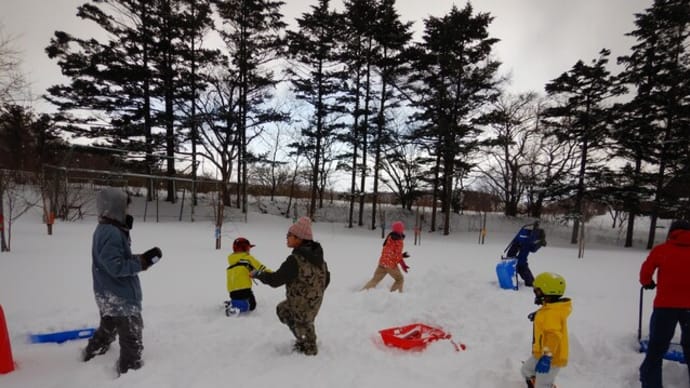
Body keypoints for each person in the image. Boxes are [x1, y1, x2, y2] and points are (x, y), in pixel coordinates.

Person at [82, 188, 163, 375]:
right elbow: (116, 266)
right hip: (121, 296)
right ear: (115, 209)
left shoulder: (105, 229)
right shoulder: (111, 232)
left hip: (107, 293)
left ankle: (92, 351)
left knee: (108, 327)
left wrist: (141, 258)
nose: (128, 213)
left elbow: (114, 260)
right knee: (131, 338)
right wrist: (142, 262)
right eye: (125, 209)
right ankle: (130, 372)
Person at [251, 216, 330, 355]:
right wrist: (313, 293)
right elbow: (326, 279)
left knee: (288, 313)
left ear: (299, 238)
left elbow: (275, 280)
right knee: (284, 308)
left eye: (289, 235)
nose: (286, 237)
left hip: (302, 305)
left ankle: (308, 344)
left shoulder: (295, 260)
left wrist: (258, 274)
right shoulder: (319, 258)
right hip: (315, 302)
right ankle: (305, 333)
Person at [638, 219, 690, 388]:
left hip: (665, 306)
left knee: (657, 349)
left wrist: (647, 282)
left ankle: (651, 384)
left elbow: (646, 271)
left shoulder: (662, 250)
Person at [521, 272, 572, 388]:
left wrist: (547, 357)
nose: (535, 293)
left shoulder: (552, 314)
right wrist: (538, 315)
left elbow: (553, 335)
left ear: (549, 292)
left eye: (537, 291)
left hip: (551, 358)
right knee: (526, 371)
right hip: (540, 353)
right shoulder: (550, 308)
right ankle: (537, 382)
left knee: (542, 384)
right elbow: (547, 313)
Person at [225, 237, 270, 315]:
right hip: (244, 288)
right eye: (248, 248)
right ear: (244, 248)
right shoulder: (248, 259)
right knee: (251, 305)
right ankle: (235, 309)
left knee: (239, 299)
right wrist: (273, 274)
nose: (249, 250)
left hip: (232, 291)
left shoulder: (232, 261)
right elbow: (261, 268)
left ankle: (234, 303)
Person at [361, 220, 410, 292]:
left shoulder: (389, 237)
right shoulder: (398, 241)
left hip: (382, 263)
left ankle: (362, 292)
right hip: (390, 265)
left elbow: (390, 253)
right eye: (402, 228)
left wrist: (403, 264)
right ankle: (395, 295)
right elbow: (396, 256)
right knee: (400, 279)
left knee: (374, 280)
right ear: (401, 230)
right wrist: (402, 257)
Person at [505, 222, 546, 287]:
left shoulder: (525, 235)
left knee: (515, 258)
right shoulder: (530, 237)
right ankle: (529, 281)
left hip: (513, 259)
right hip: (519, 262)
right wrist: (540, 243)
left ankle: (527, 280)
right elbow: (533, 249)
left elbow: (532, 248)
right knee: (521, 265)